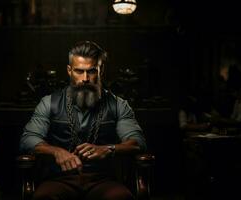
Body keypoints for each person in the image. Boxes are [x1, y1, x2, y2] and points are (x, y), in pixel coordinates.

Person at [19, 41, 146, 200]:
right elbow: (28, 139)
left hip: (103, 180)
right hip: (59, 179)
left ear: (101, 71)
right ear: (69, 70)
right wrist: (56, 151)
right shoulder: (49, 102)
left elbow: (138, 142)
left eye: (91, 71)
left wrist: (108, 149)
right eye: (79, 71)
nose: (85, 78)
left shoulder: (118, 105)